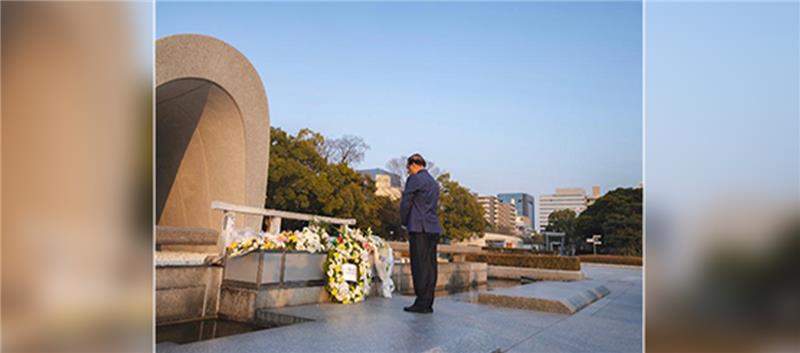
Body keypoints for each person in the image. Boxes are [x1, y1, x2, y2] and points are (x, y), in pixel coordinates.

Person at [399, 153, 442, 314]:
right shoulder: (433, 182)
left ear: (413, 164)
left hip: (418, 227)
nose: (408, 171)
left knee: (419, 266)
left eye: (408, 168)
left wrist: (404, 221)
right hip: (432, 227)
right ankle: (428, 302)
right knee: (431, 266)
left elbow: (406, 203)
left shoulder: (415, 179)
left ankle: (420, 303)